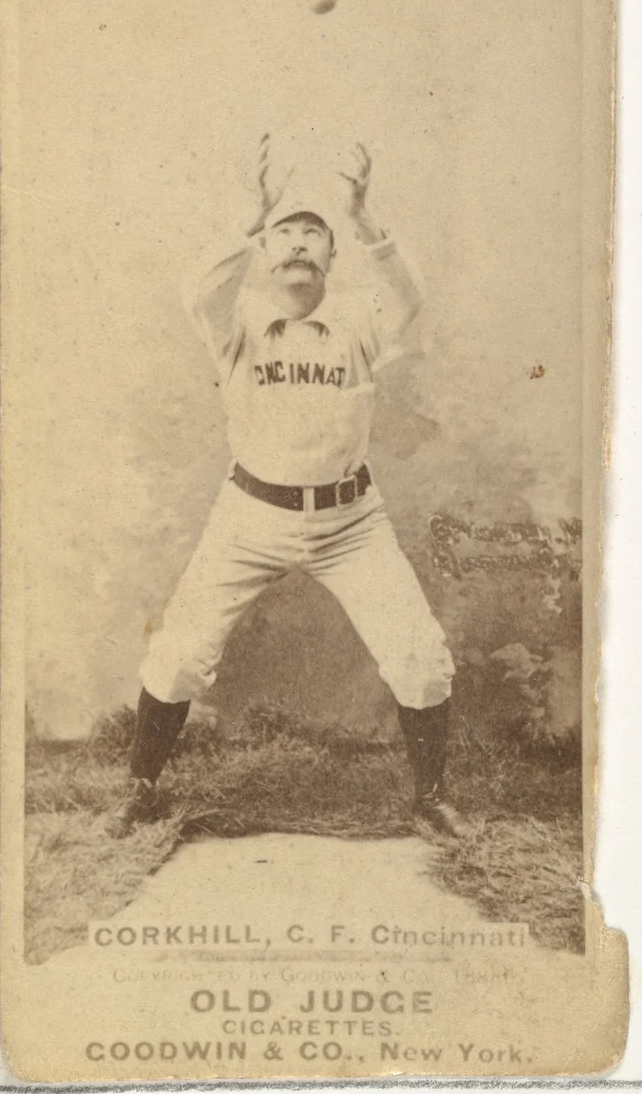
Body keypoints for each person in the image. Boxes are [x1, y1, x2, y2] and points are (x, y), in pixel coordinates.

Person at [109, 136, 465, 839]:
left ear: (333, 258)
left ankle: (430, 799)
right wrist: (250, 216)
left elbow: (411, 297)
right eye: (285, 234)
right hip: (249, 515)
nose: (300, 243)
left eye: (315, 235)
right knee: (178, 656)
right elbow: (199, 289)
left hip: (350, 521)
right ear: (264, 256)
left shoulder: (361, 317)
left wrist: (366, 220)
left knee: (419, 657)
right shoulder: (237, 319)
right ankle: (140, 787)